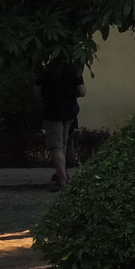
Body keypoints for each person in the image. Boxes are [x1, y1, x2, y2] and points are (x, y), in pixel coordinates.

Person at [35, 61, 85, 190]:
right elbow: (82, 91)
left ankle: (63, 180)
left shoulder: (44, 71)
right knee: (63, 143)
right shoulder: (74, 69)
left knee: (56, 146)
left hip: (52, 112)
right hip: (69, 111)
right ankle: (61, 173)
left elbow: (37, 93)